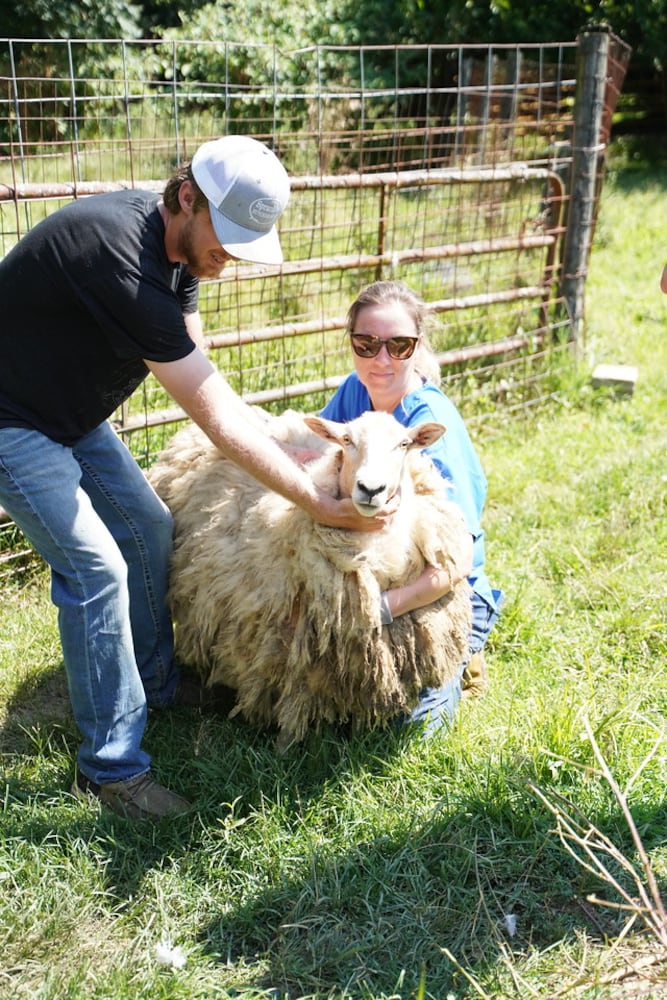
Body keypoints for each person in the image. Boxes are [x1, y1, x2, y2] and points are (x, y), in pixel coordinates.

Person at [0, 135, 395, 820]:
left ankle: (154, 683)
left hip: (69, 410)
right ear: (188, 196)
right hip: (11, 418)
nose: (231, 257)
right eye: (227, 237)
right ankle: (112, 771)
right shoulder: (122, 267)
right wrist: (310, 497)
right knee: (95, 570)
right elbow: (213, 417)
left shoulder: (176, 250)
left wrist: (280, 450)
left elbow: (202, 367)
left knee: (148, 524)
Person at [320, 279, 503, 735]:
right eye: (367, 344)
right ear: (353, 345)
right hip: (373, 567)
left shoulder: (428, 425)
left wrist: (380, 608)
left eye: (398, 346)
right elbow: (318, 453)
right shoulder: (354, 395)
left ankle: (466, 653)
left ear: (416, 347)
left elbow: (455, 559)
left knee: (407, 726)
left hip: (438, 585)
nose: (381, 360)